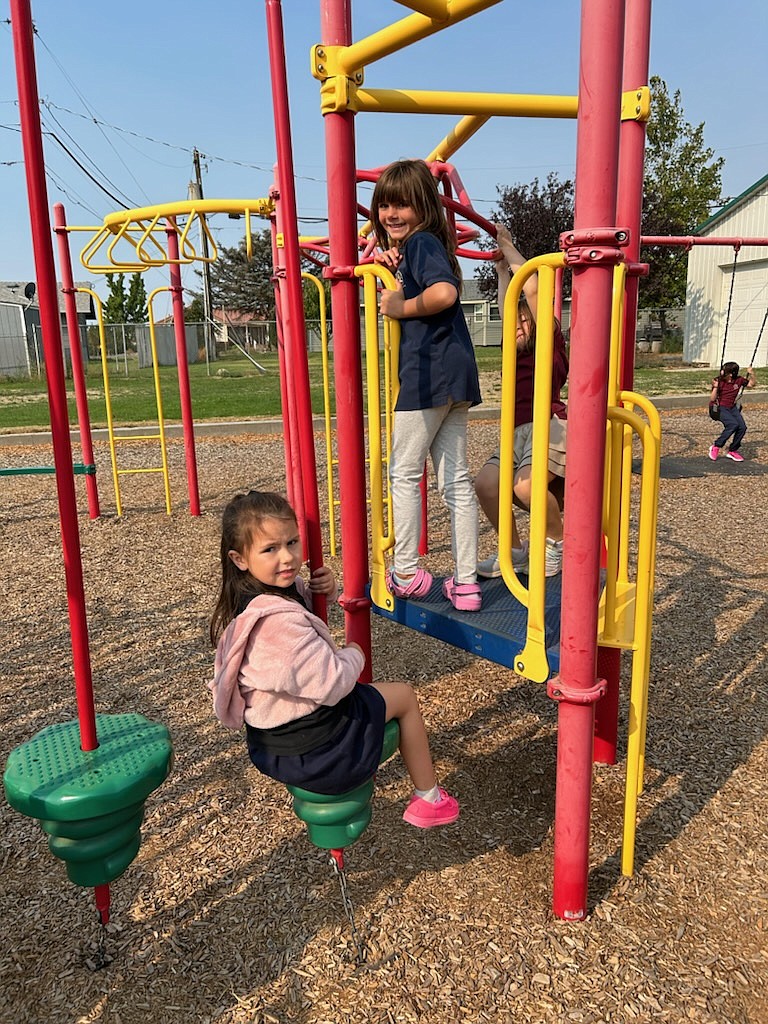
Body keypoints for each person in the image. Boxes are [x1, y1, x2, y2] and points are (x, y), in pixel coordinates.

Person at [208, 490, 459, 828]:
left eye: (292, 543)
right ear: (240, 558)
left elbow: (293, 644)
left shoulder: (250, 599)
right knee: (404, 697)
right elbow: (332, 683)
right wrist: (354, 652)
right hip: (317, 751)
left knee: (379, 696)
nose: (287, 558)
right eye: (270, 549)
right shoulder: (276, 624)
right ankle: (429, 799)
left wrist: (317, 593)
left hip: (275, 746)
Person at [371, 159, 483, 613]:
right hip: (456, 374)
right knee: (455, 481)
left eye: (403, 204)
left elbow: (444, 294)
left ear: (424, 207)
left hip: (426, 374)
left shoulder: (420, 244)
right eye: (385, 205)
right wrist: (393, 266)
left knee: (403, 472)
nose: (392, 214)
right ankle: (467, 582)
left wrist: (400, 306)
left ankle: (405, 572)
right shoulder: (425, 246)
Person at [474, 224, 568, 579]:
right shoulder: (511, 350)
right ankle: (513, 551)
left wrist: (508, 247)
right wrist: (501, 273)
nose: (516, 323)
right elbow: (508, 301)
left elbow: (531, 287)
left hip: (550, 424)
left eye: (523, 318)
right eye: (513, 319)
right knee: (486, 484)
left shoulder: (550, 338)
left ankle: (556, 543)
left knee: (526, 487)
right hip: (515, 431)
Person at [708, 361, 756, 462]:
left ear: (730, 374)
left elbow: (751, 384)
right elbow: (712, 399)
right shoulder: (718, 381)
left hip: (732, 407)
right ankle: (716, 446)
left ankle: (732, 450)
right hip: (720, 407)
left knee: (742, 427)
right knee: (733, 425)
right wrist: (715, 387)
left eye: (724, 370)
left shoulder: (739, 380)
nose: (722, 372)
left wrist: (751, 374)